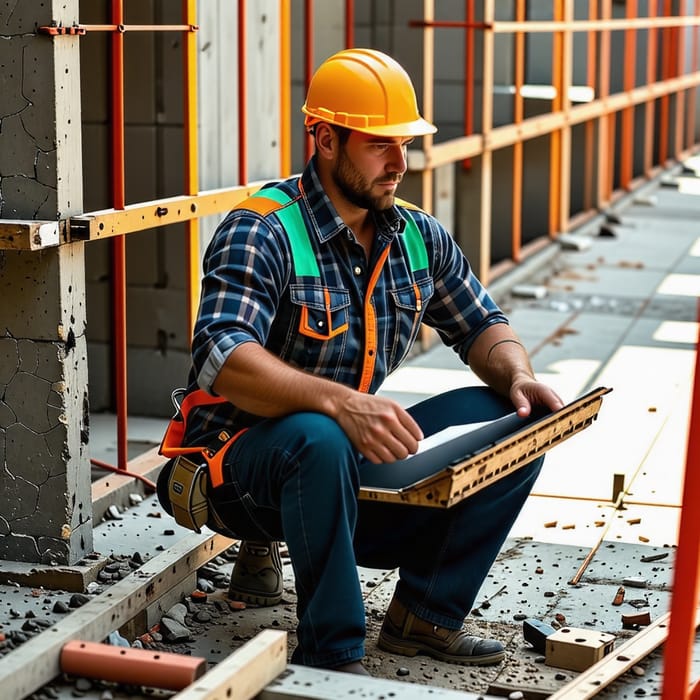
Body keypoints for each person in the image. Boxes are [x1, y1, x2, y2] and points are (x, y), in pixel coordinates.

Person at [157, 48, 563, 675]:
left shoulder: (417, 237)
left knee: (516, 417)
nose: (400, 163)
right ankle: (333, 652)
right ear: (323, 138)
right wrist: (341, 403)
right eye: (380, 146)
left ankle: (425, 615)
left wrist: (520, 376)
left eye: (403, 144)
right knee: (319, 436)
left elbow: (484, 324)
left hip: (340, 463)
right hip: (233, 474)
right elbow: (221, 354)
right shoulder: (261, 230)